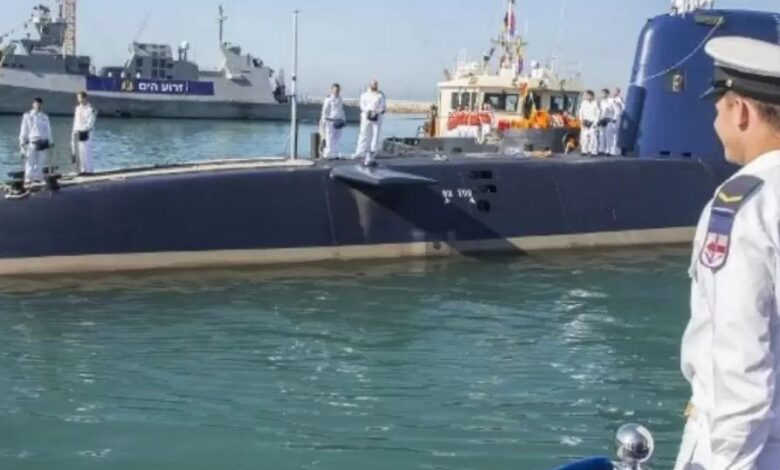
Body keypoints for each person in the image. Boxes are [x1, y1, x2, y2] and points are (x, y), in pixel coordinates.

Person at [675, 36, 780, 470]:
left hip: (753, 451)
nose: (716, 121)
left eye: (719, 109)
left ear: (742, 111)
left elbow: (741, 369)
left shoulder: (744, 204)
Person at [18, 97, 53, 186]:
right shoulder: (27, 116)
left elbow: (48, 130)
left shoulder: (44, 117)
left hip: (43, 141)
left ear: (42, 105)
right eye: (36, 104)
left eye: (40, 104)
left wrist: (50, 141)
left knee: (40, 162)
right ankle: (28, 179)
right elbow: (24, 130)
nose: (38, 106)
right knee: (30, 161)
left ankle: (38, 178)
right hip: (32, 142)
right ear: (33, 104)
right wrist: (22, 142)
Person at [353, 80, 387, 166]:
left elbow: (382, 106)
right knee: (363, 134)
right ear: (370, 85)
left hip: (377, 117)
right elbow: (362, 105)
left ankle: (373, 151)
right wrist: (369, 112)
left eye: (376, 84)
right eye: (373, 84)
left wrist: (376, 112)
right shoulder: (364, 95)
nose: (375, 85)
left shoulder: (380, 95)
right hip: (366, 117)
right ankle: (360, 152)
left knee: (375, 135)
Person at [72, 91, 97, 174]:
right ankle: (82, 170)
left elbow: (91, 122)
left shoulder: (91, 109)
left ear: (85, 98)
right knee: (79, 152)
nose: (79, 100)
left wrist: (84, 130)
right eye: (78, 98)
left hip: (87, 133)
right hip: (78, 132)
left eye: (81, 98)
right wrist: (74, 132)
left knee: (87, 152)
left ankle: (89, 170)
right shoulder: (77, 108)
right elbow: (76, 122)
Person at [320, 83, 346, 159]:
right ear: (332, 90)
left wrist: (344, 119)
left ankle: (335, 153)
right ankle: (328, 154)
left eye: (338, 90)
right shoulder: (329, 99)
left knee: (337, 138)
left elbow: (341, 110)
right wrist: (323, 120)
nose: (337, 91)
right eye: (335, 90)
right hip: (330, 121)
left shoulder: (340, 99)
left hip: (338, 120)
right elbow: (324, 110)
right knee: (330, 138)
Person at [577, 90, 600, 156]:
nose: (586, 97)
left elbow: (598, 114)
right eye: (585, 95)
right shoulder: (583, 103)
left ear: (591, 96)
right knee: (584, 138)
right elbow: (580, 113)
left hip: (592, 123)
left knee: (593, 138)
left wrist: (594, 123)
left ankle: (594, 152)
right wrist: (581, 121)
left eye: (587, 95)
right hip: (585, 122)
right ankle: (584, 151)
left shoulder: (595, 103)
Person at [607, 88, 625, 156]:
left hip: (617, 116)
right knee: (610, 133)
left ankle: (616, 151)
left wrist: (620, 104)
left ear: (618, 92)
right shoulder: (610, 100)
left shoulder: (620, 99)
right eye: (613, 91)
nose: (613, 92)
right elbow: (609, 108)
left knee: (616, 134)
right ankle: (610, 150)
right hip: (611, 117)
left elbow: (623, 108)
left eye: (615, 91)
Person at [597, 89, 613, 155]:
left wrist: (607, 106)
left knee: (608, 136)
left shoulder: (611, 101)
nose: (602, 95)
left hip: (609, 119)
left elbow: (612, 109)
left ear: (607, 94)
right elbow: (600, 111)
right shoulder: (601, 102)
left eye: (603, 93)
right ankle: (602, 149)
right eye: (601, 93)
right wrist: (599, 119)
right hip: (602, 120)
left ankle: (608, 150)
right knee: (601, 135)